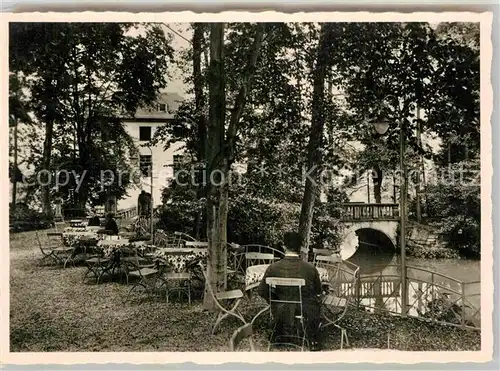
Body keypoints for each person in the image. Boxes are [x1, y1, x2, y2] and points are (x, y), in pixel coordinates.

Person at [258, 231, 323, 350]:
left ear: (284, 247)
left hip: (280, 307)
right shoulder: (310, 268)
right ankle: (312, 338)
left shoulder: (272, 268)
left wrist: (274, 301)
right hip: (304, 308)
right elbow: (318, 290)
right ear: (300, 248)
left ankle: (280, 330)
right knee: (316, 302)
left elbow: (262, 291)